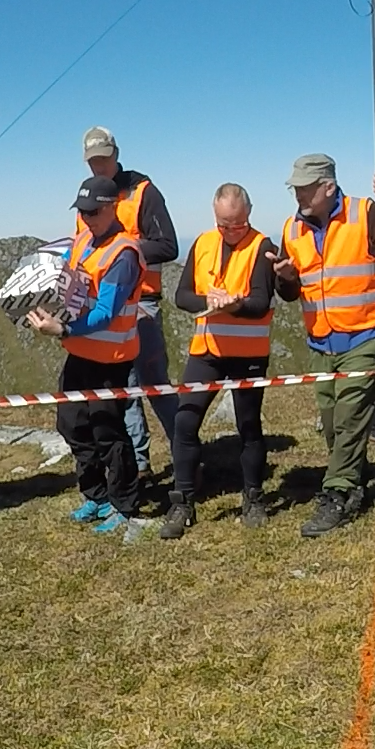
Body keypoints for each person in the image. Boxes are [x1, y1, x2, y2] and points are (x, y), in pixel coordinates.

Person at [271, 153, 375, 537]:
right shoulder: (292, 228)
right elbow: (290, 292)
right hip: (320, 343)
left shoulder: (364, 214)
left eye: (305, 188)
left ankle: (336, 494)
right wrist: (285, 278)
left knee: (351, 417)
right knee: (333, 423)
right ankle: (353, 481)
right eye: (296, 188)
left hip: (362, 336)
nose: (298, 195)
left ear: (328, 187)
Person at [25, 176, 143, 537]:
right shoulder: (81, 242)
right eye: (82, 212)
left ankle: (124, 504)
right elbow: (60, 277)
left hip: (111, 358)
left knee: (108, 431)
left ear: (112, 208)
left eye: (93, 212)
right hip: (79, 353)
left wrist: (63, 330)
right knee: (72, 424)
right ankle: (96, 495)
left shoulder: (123, 254)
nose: (86, 218)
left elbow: (106, 311)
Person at [166, 183, 281, 535]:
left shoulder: (263, 246)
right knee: (185, 423)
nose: (231, 231)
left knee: (248, 426)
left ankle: (254, 498)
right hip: (207, 350)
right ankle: (182, 503)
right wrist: (208, 300)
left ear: (249, 213)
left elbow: (261, 302)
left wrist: (235, 305)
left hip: (248, 354)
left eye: (237, 224)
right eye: (223, 224)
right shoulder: (202, 243)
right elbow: (182, 296)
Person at [80, 126, 179, 477]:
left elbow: (168, 245)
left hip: (142, 305)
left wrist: (124, 250)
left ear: (116, 155)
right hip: (104, 306)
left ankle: (185, 458)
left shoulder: (142, 192)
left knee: (154, 384)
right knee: (121, 389)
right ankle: (137, 466)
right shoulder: (88, 197)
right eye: (93, 161)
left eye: (104, 158)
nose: (100, 166)